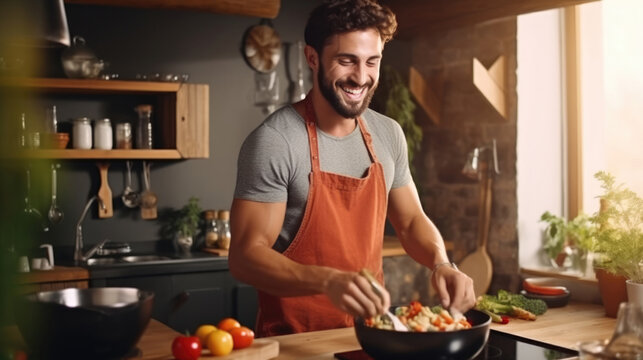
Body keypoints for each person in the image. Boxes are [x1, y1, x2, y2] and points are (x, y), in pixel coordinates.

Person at [229, 0, 476, 337]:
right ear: (312, 58)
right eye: (347, 61)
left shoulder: (388, 134)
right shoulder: (276, 140)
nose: (361, 77)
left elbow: (411, 221)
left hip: (371, 336)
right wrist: (327, 280)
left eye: (371, 62)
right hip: (295, 342)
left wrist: (441, 263)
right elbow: (246, 255)